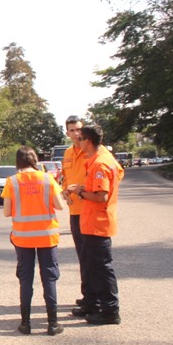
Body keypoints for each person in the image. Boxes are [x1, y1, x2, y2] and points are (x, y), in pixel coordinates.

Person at [1, 146, 65, 336]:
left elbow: (6, 212)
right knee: (49, 278)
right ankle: (53, 324)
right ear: (35, 160)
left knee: (26, 279)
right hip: (47, 236)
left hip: (22, 238)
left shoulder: (11, 182)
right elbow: (60, 205)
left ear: (18, 162)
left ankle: (25, 324)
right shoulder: (47, 178)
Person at [66, 124, 124, 325]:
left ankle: (110, 310)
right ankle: (93, 303)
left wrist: (79, 192)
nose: (77, 141)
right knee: (92, 265)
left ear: (88, 141)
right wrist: (81, 187)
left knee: (101, 267)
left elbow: (101, 196)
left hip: (98, 222)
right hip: (90, 222)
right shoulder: (98, 160)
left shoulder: (100, 163)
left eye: (80, 138)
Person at [60, 115, 90, 309]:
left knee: (92, 255)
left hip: (90, 209)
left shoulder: (92, 151)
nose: (76, 133)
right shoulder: (68, 153)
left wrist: (86, 191)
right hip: (75, 211)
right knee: (82, 255)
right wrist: (64, 189)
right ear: (67, 133)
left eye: (78, 129)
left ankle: (94, 296)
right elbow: (65, 176)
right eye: (72, 130)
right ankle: (87, 294)